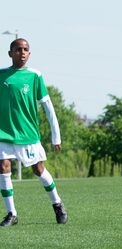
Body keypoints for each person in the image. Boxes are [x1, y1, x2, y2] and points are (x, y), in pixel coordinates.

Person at [1, 38, 68, 227]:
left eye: (25, 49)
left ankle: (57, 204)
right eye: (17, 49)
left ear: (29, 54)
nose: (22, 52)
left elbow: (48, 107)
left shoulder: (35, 76)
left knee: (39, 170)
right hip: (4, 133)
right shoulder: (1, 75)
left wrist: (56, 136)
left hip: (28, 134)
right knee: (3, 167)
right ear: (10, 53)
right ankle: (11, 214)